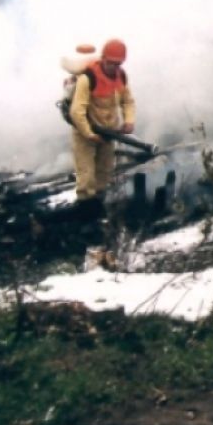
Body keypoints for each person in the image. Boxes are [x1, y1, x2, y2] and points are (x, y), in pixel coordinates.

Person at [68, 38, 137, 269]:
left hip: (108, 134)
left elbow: (128, 101)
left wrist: (128, 122)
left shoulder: (121, 77)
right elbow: (77, 111)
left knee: (104, 176)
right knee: (86, 178)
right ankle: (86, 227)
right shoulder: (88, 79)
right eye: (111, 63)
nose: (114, 67)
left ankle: (99, 218)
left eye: (119, 63)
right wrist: (89, 133)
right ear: (104, 59)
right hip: (85, 134)